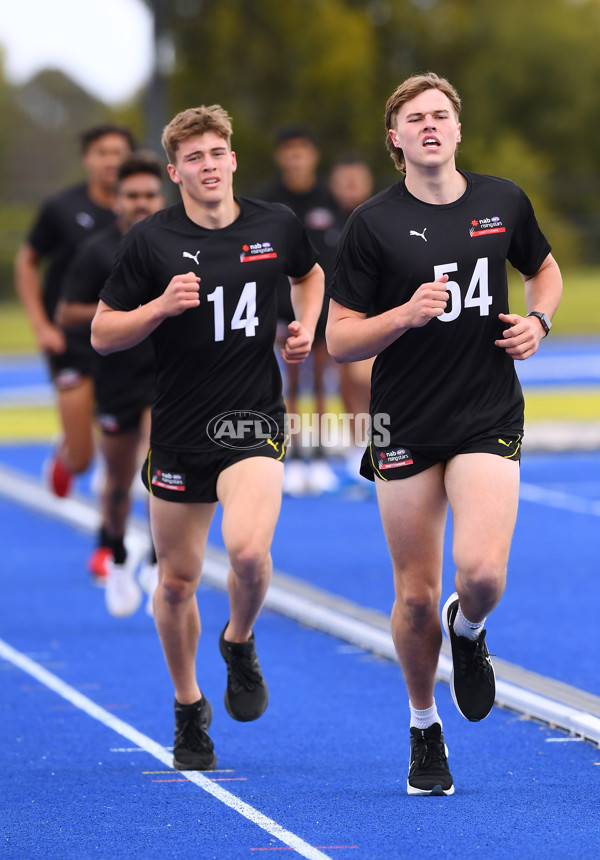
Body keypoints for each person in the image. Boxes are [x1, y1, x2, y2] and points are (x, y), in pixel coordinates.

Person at [326, 72, 562, 796]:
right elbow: (338, 339)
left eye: (440, 114)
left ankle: (471, 630)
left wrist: (538, 321)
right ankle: (424, 725)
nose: (429, 124)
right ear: (394, 139)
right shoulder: (371, 224)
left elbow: (544, 270)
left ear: (458, 129)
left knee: (481, 575)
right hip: (404, 420)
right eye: (413, 117)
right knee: (416, 596)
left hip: (486, 409)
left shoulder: (502, 200)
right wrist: (402, 315)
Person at [91, 105, 324, 770]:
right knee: (176, 584)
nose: (209, 165)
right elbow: (103, 334)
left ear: (232, 158)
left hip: (253, 421)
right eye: (194, 158)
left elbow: (309, 274)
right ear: (175, 172)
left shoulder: (274, 224)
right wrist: (159, 307)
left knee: (248, 556)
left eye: (217, 152)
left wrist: (304, 325)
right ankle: (189, 706)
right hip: (180, 431)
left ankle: (240, 640)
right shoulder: (150, 241)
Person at [57, 154, 165, 607]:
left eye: (149, 195)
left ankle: (161, 562)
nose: (141, 202)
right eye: (132, 195)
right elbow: (67, 313)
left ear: (162, 197)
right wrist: (122, 314)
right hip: (117, 374)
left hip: (166, 376)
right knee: (119, 482)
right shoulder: (98, 250)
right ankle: (116, 552)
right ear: (117, 201)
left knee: (159, 471)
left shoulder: (179, 243)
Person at [15, 123, 136, 497]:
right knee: (82, 459)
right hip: (72, 341)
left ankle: (114, 532)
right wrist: (41, 325)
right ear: (87, 159)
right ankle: (67, 451)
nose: (111, 161)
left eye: (119, 152)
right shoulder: (62, 208)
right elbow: (26, 261)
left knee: (134, 437)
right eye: (102, 152)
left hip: (125, 341)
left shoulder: (143, 209)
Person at [258, 126, 342, 495]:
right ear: (280, 156)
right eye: (289, 151)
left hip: (324, 305)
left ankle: (321, 457)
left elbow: (339, 254)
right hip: (282, 305)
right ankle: (291, 456)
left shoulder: (330, 199)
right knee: (288, 384)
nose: (296, 158)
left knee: (322, 384)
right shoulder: (268, 202)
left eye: (302, 150)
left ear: (314, 155)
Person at [328, 156, 377, 482]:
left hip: (377, 311)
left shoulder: (380, 216)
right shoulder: (325, 221)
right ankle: (355, 449)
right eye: (344, 181)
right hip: (338, 312)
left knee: (369, 380)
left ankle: (380, 444)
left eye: (356, 180)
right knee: (346, 383)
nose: (350, 188)